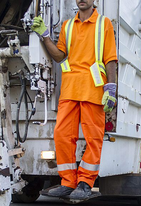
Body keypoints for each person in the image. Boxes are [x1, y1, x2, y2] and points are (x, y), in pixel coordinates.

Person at [31, 0, 117, 199]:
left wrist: (111, 88)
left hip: (93, 89)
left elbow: (110, 58)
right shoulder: (67, 26)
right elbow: (60, 56)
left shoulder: (104, 23)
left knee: (93, 138)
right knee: (62, 135)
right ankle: (68, 182)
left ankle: (86, 182)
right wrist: (44, 36)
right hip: (70, 89)